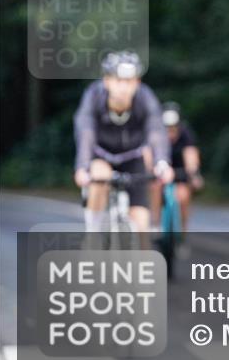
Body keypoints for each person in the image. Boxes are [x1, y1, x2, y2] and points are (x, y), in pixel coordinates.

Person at [74, 51, 174, 234]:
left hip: (132, 157)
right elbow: (85, 130)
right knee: (99, 176)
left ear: (137, 83)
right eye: (118, 80)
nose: (123, 87)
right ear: (107, 81)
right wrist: (82, 167)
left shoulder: (145, 97)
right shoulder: (94, 96)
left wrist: (162, 163)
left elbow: (156, 130)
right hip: (101, 154)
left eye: (129, 81)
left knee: (142, 227)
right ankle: (93, 237)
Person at [158, 102, 203, 235]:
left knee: (183, 196)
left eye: (172, 129)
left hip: (180, 170)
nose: (169, 133)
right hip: (160, 170)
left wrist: (194, 174)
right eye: (166, 128)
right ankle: (155, 225)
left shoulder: (185, 134)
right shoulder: (155, 134)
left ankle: (182, 232)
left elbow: (191, 154)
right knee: (153, 188)